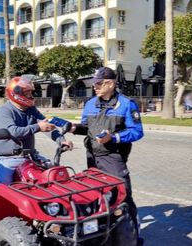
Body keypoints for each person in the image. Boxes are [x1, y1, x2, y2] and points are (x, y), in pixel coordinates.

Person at [70, 67, 144, 239]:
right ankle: (103, 234)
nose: (94, 87)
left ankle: (134, 237)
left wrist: (114, 137)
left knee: (123, 197)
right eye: (93, 83)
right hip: (93, 158)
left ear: (111, 84)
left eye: (98, 83)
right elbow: (86, 128)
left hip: (113, 158)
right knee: (97, 196)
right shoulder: (90, 104)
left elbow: (137, 132)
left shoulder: (126, 104)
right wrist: (74, 128)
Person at [0, 76, 74, 185]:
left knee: (54, 174)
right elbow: (13, 131)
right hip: (5, 159)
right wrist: (38, 127)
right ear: (17, 93)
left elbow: (46, 125)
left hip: (29, 157)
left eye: (30, 92)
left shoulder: (31, 109)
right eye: (27, 92)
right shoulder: (4, 111)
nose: (30, 95)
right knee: (4, 187)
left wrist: (61, 140)